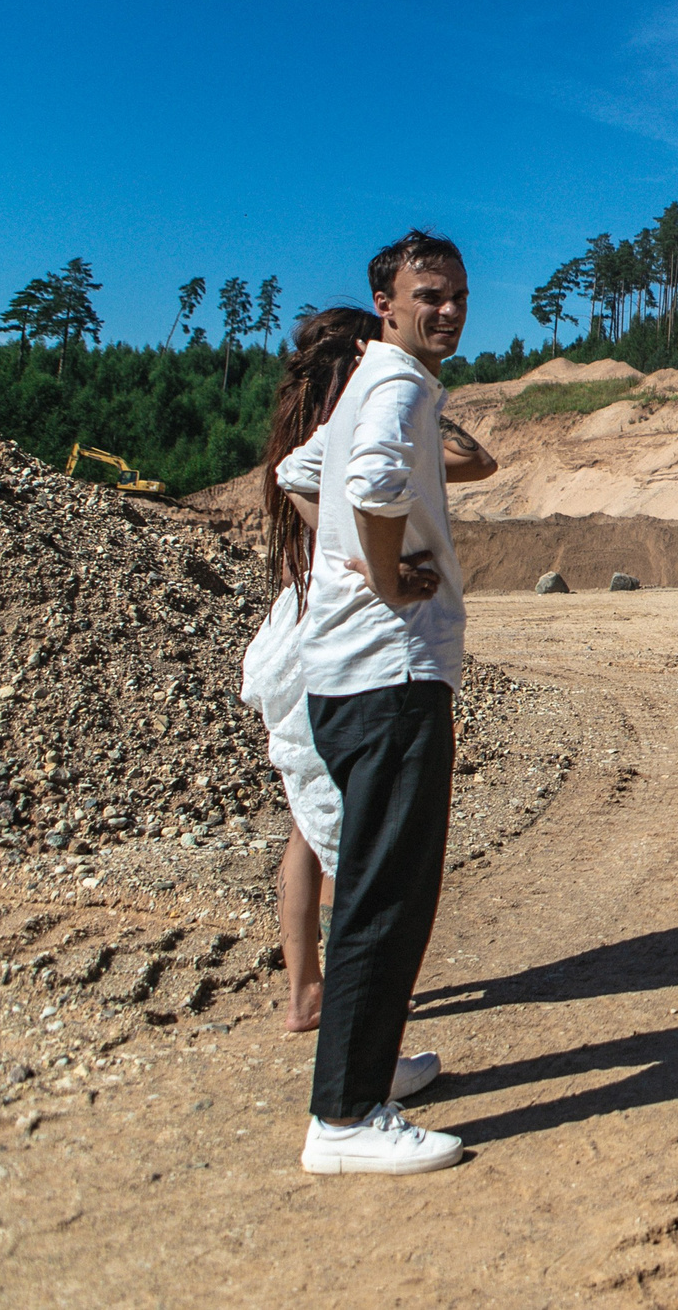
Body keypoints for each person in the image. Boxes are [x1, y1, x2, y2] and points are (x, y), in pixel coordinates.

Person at [242, 308, 494, 1045]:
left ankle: (308, 992)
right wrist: (367, 558)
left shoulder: (319, 429)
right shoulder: (372, 415)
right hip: (348, 637)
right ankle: (360, 1009)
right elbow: (476, 462)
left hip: (301, 629)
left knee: (311, 829)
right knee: (364, 842)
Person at [296, 230, 478, 1176]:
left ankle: (369, 1071)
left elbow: (302, 476)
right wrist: (380, 573)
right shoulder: (400, 383)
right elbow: (363, 483)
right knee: (387, 893)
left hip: (347, 673)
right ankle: (346, 1117)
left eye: (455, 293)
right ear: (387, 301)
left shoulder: (370, 378)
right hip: (391, 672)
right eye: (427, 295)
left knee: (374, 882)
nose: (445, 308)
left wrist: (342, 568)